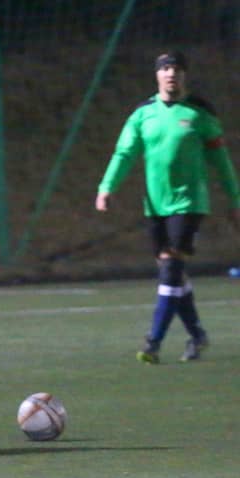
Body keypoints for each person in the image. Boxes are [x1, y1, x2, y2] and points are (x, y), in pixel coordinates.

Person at [95, 51, 240, 363]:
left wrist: (235, 200)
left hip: (189, 202)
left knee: (172, 268)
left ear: (184, 75)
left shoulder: (200, 113)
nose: (171, 73)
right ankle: (197, 336)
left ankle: (153, 342)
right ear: (157, 75)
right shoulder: (143, 114)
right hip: (155, 205)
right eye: (165, 69)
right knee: (171, 272)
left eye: (176, 69)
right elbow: (124, 153)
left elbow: (221, 161)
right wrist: (107, 187)